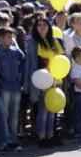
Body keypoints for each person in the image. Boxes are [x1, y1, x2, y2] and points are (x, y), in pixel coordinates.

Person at [26, 16, 64, 148]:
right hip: (43, 80)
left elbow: (61, 59)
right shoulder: (34, 43)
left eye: (45, 24)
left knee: (52, 110)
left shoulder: (54, 42)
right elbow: (32, 63)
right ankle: (42, 137)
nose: (42, 27)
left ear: (49, 27)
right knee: (43, 109)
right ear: (36, 28)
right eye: (39, 25)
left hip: (57, 79)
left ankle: (51, 135)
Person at [0, 27, 24, 152]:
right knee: (3, 115)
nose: (11, 39)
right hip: (3, 87)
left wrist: (20, 73)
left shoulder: (16, 51)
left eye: (12, 37)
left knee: (14, 114)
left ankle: (13, 140)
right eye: (8, 37)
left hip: (16, 86)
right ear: (0, 38)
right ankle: (3, 141)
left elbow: (24, 61)